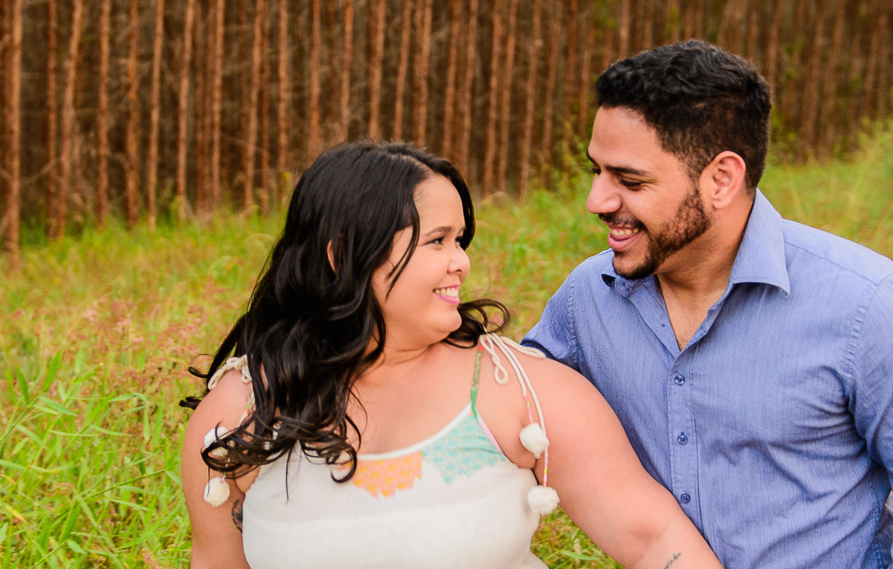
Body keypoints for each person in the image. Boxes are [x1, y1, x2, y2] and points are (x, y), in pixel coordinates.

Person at [523, 41, 893, 569]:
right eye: (598, 172)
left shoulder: (870, 307)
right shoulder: (588, 297)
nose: (598, 201)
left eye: (630, 181)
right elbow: (507, 402)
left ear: (721, 178)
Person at [182, 142, 723, 569]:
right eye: (436, 240)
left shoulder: (520, 392)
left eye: (460, 240)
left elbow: (654, 541)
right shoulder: (243, 412)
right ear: (343, 255)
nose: (460, 262)